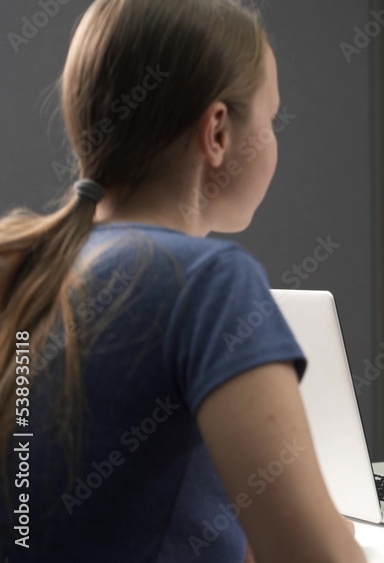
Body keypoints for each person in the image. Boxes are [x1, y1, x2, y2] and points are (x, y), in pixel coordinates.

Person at [0, 1, 365, 561]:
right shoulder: (207, 282)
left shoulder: (29, 265)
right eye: (270, 119)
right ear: (217, 132)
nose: (274, 138)